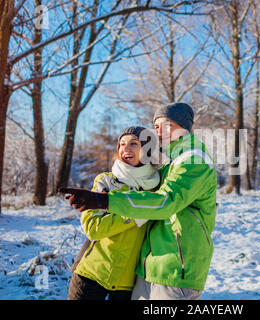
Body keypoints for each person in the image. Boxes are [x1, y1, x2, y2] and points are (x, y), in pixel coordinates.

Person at [61, 102, 217, 300]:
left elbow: (165, 202)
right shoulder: (164, 167)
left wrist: (106, 201)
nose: (160, 132)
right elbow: (94, 228)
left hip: (175, 270)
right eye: (157, 127)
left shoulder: (194, 160)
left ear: (184, 127)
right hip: (146, 270)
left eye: (167, 124)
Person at [66, 126, 160, 300]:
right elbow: (94, 229)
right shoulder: (106, 181)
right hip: (90, 274)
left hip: (128, 283)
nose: (125, 148)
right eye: (122, 144)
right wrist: (135, 213)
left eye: (133, 144)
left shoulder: (156, 189)